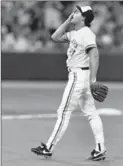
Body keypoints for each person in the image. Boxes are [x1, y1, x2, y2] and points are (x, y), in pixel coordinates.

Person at [31, 5, 107, 161]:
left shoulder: (86, 34)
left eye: (78, 12)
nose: (74, 13)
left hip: (79, 76)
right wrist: (68, 20)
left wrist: (93, 80)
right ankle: (100, 148)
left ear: (84, 17)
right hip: (81, 76)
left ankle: (48, 147)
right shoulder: (74, 34)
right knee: (91, 113)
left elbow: (95, 56)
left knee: (64, 112)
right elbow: (55, 37)